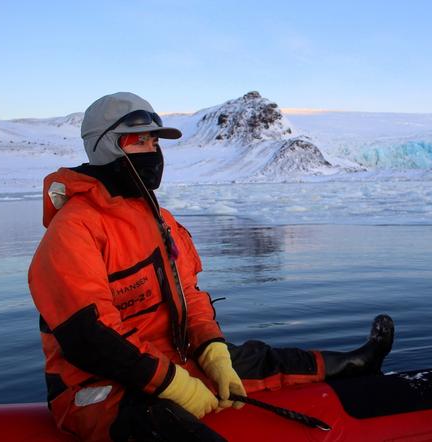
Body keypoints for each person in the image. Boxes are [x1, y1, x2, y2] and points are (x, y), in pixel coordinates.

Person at [28, 92, 394, 442]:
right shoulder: (74, 230)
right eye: (140, 142)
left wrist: (212, 350)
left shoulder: (160, 221)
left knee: (259, 359)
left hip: (170, 359)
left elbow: (189, 296)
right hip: (100, 386)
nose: (153, 152)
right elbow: (90, 340)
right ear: (107, 146)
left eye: (155, 143)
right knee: (165, 426)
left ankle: (354, 364)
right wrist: (173, 384)